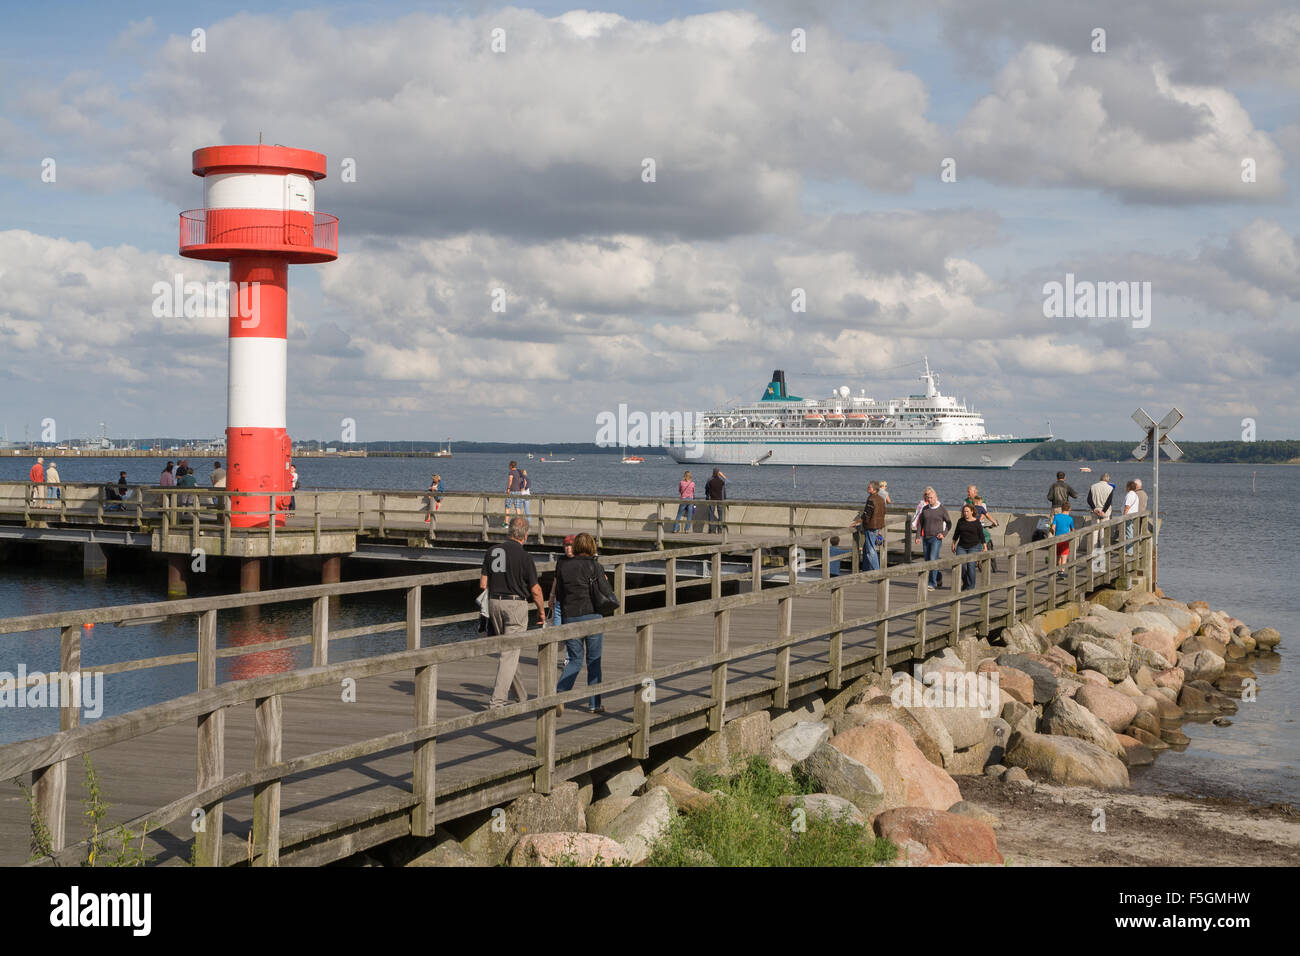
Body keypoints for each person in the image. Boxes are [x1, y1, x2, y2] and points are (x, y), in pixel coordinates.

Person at [481, 516, 546, 708]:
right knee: (510, 652)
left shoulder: (492, 551)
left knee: (509, 651)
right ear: (525, 535)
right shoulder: (525, 557)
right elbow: (535, 590)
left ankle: (521, 697)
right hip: (515, 605)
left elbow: (483, 583)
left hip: (494, 603)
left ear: (509, 531)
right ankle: (497, 702)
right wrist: (541, 612)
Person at [554, 533, 610, 715]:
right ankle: (594, 704)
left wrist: (563, 620)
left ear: (576, 547)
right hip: (592, 616)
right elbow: (606, 592)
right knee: (594, 661)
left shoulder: (564, 567)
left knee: (575, 660)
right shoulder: (596, 566)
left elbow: (560, 597)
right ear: (592, 547)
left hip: (571, 617)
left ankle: (560, 694)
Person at [911, 487, 951, 590]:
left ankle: (931, 583)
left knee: (933, 559)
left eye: (932, 497)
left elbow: (949, 523)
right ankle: (938, 576)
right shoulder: (925, 509)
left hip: (936, 538)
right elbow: (920, 523)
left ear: (936, 497)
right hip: (926, 537)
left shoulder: (942, 509)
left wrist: (943, 534)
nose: (930, 499)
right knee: (928, 560)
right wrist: (918, 536)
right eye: (928, 498)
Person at [850, 480, 887, 571]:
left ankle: (876, 572)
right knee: (867, 548)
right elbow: (883, 513)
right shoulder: (881, 499)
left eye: (869, 487)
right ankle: (866, 570)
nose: (867, 488)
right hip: (877, 526)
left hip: (870, 526)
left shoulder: (871, 499)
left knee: (871, 550)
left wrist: (856, 522)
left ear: (874, 489)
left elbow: (866, 514)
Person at [952, 504, 985, 591]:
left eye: (967, 511)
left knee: (971, 566)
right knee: (961, 566)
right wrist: (953, 543)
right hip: (961, 546)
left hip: (974, 546)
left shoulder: (977, 522)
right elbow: (956, 533)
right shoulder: (960, 521)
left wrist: (984, 546)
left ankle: (971, 587)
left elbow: (981, 535)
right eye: (964, 511)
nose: (965, 513)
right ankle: (966, 583)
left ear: (972, 511)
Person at [970, 494, 999, 573]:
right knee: (987, 535)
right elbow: (988, 516)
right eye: (980, 502)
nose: (981, 504)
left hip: (970, 527)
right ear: (978, 502)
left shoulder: (970, 508)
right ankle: (983, 547)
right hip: (978, 527)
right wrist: (994, 522)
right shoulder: (981, 507)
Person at [1087, 472, 1114, 552]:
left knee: (1094, 533)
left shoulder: (1093, 486)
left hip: (1095, 512)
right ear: (1108, 480)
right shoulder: (1110, 488)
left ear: (1100, 479)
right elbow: (1109, 502)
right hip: (1105, 513)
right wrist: (1103, 511)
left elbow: (1089, 500)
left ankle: (1093, 551)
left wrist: (1094, 508)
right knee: (1103, 533)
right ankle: (1103, 551)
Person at [1051, 505, 1075, 578]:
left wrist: (1053, 534)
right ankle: (1062, 572)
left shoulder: (1056, 516)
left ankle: (1058, 570)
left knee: (1058, 556)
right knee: (1064, 557)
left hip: (1057, 539)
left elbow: (1053, 527)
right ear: (1069, 509)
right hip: (1065, 540)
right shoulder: (1070, 519)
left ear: (1062, 508)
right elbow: (1072, 530)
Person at [704, 468, 727, 533]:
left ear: (713, 473)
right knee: (720, 515)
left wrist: (707, 496)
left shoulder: (709, 480)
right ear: (718, 473)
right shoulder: (722, 481)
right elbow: (724, 490)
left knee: (711, 514)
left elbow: (706, 489)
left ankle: (711, 529)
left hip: (712, 499)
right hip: (720, 499)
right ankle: (720, 530)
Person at [1123, 480, 1139, 555]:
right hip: (1133, 516)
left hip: (1128, 516)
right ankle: (1131, 550)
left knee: (1129, 533)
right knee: (1131, 532)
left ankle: (1129, 552)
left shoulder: (1129, 495)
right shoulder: (1135, 495)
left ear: (1128, 487)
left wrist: (1123, 517)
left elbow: (1127, 507)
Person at [504, 460, 522, 526]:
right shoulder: (518, 472)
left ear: (511, 466)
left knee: (507, 507)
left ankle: (506, 523)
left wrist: (508, 488)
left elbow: (510, 480)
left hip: (512, 491)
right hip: (518, 491)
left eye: (509, 465)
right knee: (517, 508)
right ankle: (519, 523)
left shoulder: (511, 472)